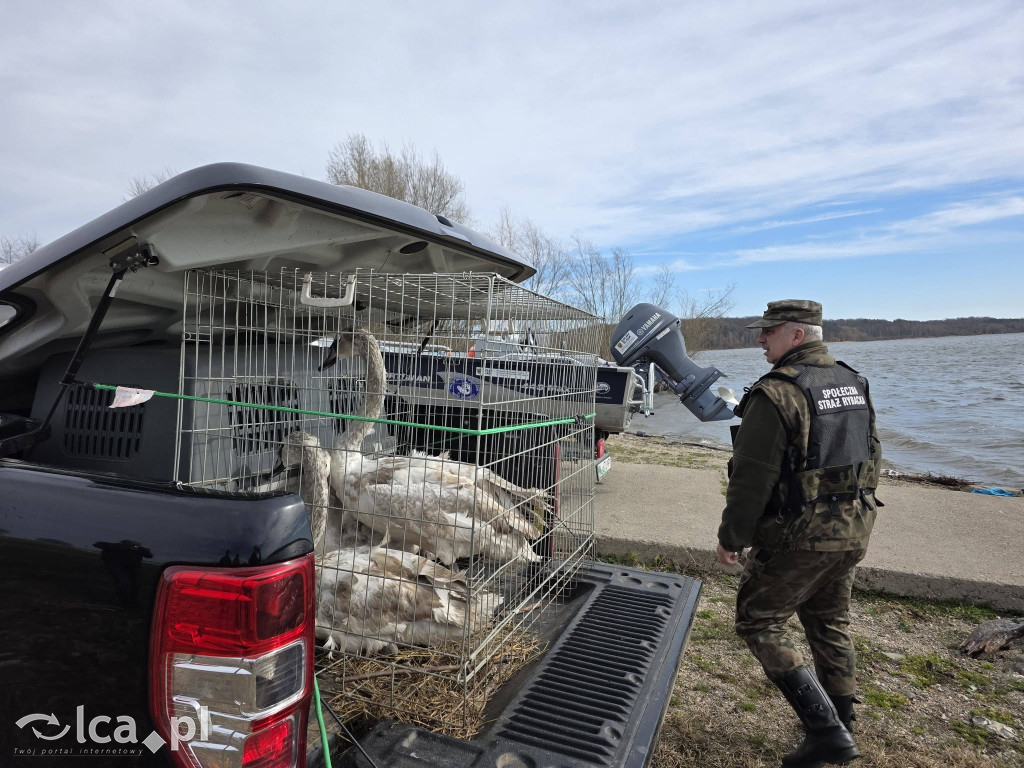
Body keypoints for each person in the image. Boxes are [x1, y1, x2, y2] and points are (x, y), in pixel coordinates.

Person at [716, 300, 882, 768]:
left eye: (769, 332)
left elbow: (751, 477)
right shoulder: (854, 382)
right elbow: (871, 457)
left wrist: (733, 538)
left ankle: (827, 733)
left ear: (797, 335)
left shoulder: (777, 394)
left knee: (758, 620)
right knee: (829, 621)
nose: (760, 340)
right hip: (854, 527)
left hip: (801, 536)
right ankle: (842, 724)